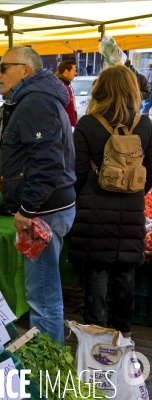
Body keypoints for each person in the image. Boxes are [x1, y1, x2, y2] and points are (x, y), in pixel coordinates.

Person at [0, 47, 76, 343]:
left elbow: (48, 161)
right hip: (52, 206)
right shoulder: (36, 99)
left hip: (44, 212)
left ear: (26, 70)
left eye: (4, 67)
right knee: (44, 290)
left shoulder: (35, 103)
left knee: (43, 294)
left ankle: (48, 369)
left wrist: (27, 209)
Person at [69, 65, 152, 338]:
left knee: (95, 275)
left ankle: (96, 341)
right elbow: (150, 172)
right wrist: (132, 190)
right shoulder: (145, 124)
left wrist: (89, 193)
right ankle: (123, 335)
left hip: (93, 213)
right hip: (131, 212)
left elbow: (76, 172)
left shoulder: (87, 124)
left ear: (99, 89)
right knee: (125, 275)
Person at [55, 60, 78, 127]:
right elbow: (69, 111)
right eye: (74, 70)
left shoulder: (60, 84)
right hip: (67, 127)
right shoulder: (63, 87)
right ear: (66, 72)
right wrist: (73, 126)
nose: (75, 73)